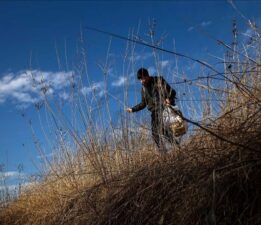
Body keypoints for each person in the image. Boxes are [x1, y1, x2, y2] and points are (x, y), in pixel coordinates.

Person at [127, 68, 176, 151]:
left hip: (164, 108)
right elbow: (143, 103)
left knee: (162, 129)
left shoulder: (159, 80)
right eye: (140, 79)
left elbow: (172, 92)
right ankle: (165, 152)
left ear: (147, 76)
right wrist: (133, 109)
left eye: (143, 78)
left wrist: (169, 98)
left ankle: (175, 146)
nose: (141, 81)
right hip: (154, 112)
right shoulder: (143, 89)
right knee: (155, 134)